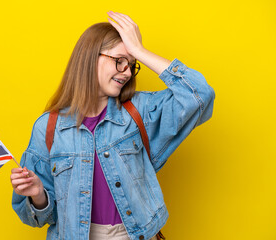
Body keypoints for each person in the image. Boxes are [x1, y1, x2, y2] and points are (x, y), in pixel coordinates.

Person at [11, 11, 215, 240]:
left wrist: (140, 50)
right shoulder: (48, 128)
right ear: (89, 58)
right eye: (119, 61)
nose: (127, 72)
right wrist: (38, 195)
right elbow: (35, 218)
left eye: (131, 65)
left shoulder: (140, 111)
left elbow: (200, 95)